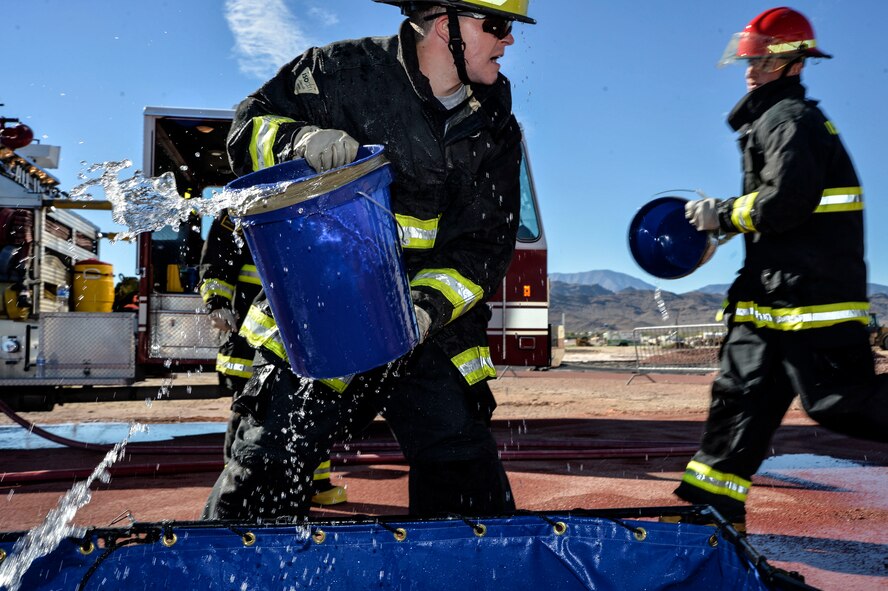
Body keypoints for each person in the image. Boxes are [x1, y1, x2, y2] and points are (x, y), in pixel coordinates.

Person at [203, 0, 533, 521]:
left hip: (431, 332)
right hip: (321, 309)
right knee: (267, 467)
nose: (508, 40)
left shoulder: (495, 126)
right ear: (446, 25)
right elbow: (245, 132)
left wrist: (421, 311)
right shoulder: (338, 73)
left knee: (463, 475)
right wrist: (300, 140)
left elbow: (484, 244)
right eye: (496, 24)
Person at [678, 7, 888, 531]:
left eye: (761, 61)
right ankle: (712, 520)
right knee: (737, 403)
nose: (749, 69)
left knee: (839, 403)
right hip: (769, 302)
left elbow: (786, 203)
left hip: (813, 301)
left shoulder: (792, 121)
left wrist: (724, 214)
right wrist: (731, 223)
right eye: (747, 59)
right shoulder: (770, 120)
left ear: (793, 64)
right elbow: (777, 210)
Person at [199, 209, 347, 506]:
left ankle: (312, 482)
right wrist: (216, 302)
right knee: (251, 410)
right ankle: (237, 487)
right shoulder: (243, 204)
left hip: (299, 327)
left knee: (309, 404)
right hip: (251, 332)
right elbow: (218, 255)